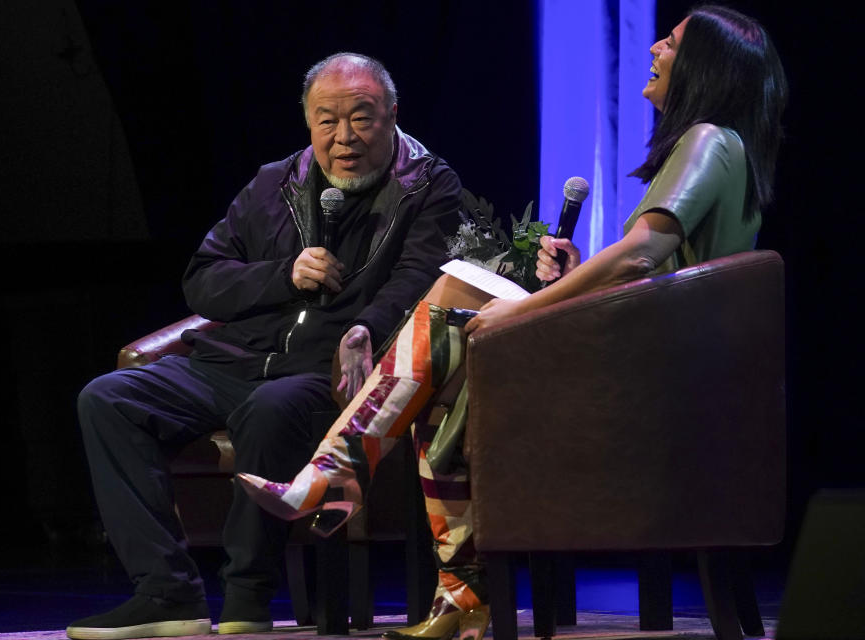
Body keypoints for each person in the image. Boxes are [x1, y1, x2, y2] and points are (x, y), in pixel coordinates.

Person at [238, 6, 787, 640]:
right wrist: (574, 275)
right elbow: (650, 270)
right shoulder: (720, 144)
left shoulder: (708, 137)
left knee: (453, 298)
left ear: (705, 68)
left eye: (670, 42)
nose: (655, 48)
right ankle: (456, 597)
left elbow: (641, 255)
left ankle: (340, 482)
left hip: (650, 382)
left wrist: (524, 306)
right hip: (656, 361)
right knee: (444, 378)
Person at [66, 52, 461, 640]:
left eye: (362, 118)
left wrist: (366, 329)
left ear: (392, 114)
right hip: (234, 362)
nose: (344, 137)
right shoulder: (274, 182)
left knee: (270, 407)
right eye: (328, 121)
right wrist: (282, 274)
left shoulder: (428, 185)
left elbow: (420, 276)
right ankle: (166, 595)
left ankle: (247, 596)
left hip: (327, 374)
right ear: (307, 122)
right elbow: (203, 277)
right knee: (108, 398)